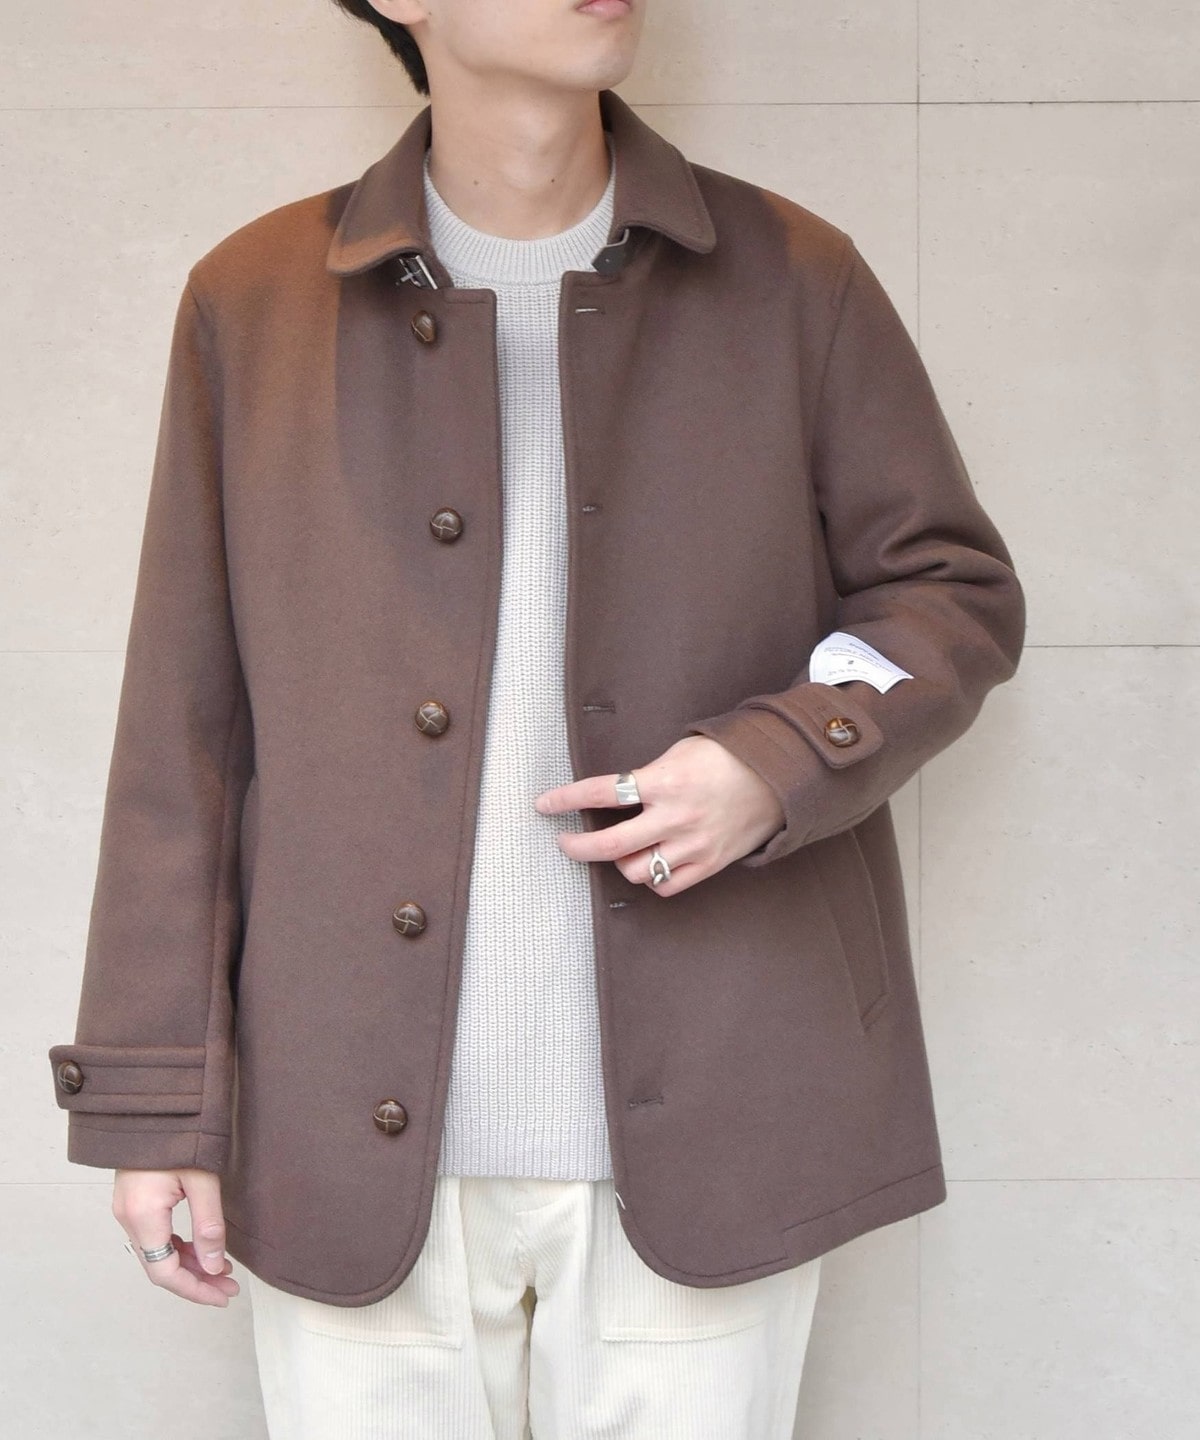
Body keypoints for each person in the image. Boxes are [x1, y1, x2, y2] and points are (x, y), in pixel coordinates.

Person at [47, 0, 1026, 1436]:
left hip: (718, 1105)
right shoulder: (252, 303)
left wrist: (775, 763)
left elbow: (946, 594)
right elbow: (183, 737)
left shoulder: (792, 277)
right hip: (341, 1123)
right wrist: (155, 1103)